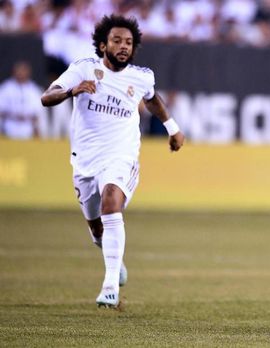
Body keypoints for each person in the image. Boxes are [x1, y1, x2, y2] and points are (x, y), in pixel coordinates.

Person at [40, 14, 185, 309]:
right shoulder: (83, 69)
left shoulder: (141, 76)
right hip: (84, 162)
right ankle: (113, 261)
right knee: (96, 229)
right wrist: (72, 90)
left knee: (111, 202)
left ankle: (109, 288)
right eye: (117, 41)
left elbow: (152, 99)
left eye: (129, 42)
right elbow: (47, 97)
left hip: (121, 156)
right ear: (103, 44)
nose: (123, 47)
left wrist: (173, 128)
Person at [0, 61, 45, 139]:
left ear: (28, 72)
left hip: (27, 127)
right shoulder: (6, 88)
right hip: (10, 125)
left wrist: (37, 131)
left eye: (23, 70)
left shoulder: (34, 89)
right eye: (19, 70)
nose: (21, 73)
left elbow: (38, 113)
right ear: (14, 71)